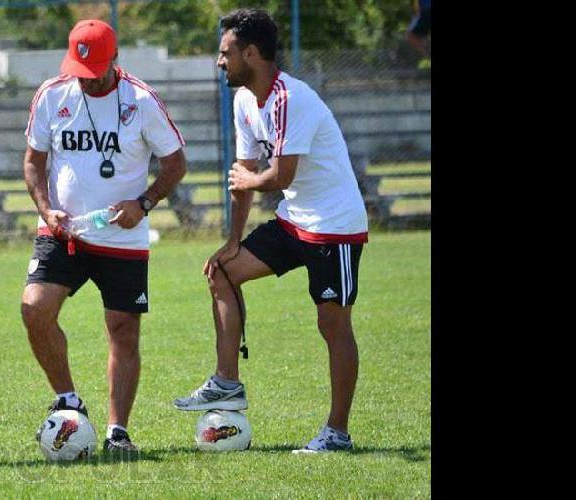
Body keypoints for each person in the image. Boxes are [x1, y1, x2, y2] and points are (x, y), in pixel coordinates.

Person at [171, 8, 369, 454]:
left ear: (252, 52)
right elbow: (245, 172)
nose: (219, 62)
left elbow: (279, 174)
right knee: (222, 271)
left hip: (335, 226)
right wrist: (232, 241)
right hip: (295, 220)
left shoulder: (291, 99)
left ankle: (336, 432)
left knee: (332, 324)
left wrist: (248, 180)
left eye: (225, 53)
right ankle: (227, 382)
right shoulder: (243, 100)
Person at [21, 19, 187, 454]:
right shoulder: (52, 94)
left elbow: (175, 164)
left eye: (95, 74)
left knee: (123, 329)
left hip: (123, 237)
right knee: (34, 308)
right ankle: (70, 403)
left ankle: (118, 432)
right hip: (63, 231)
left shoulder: (142, 101)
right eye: (80, 73)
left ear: (115, 61)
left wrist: (145, 204)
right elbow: (33, 162)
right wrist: (46, 209)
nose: (87, 83)